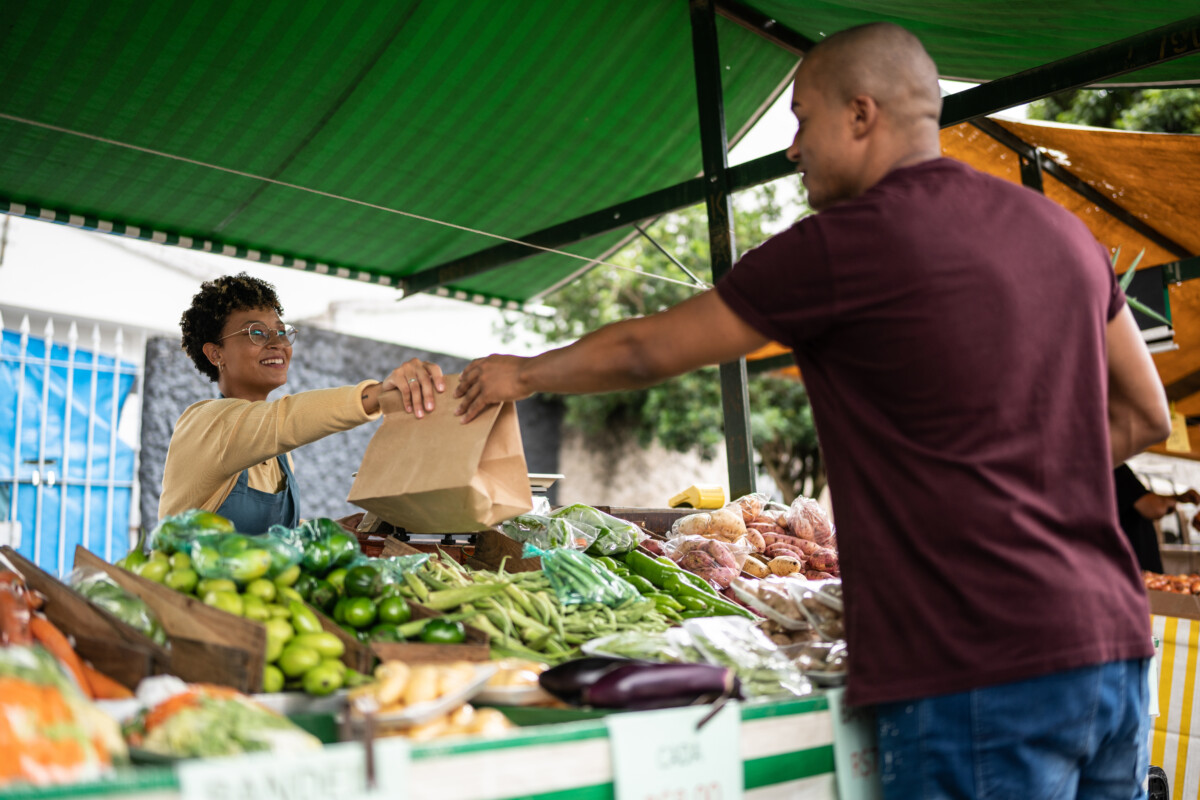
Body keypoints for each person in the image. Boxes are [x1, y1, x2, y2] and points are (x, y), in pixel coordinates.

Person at [452, 22, 1170, 799]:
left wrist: (519, 372)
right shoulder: (1064, 234)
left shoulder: (848, 242)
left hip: (973, 659)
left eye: (801, 119)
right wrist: (1016, 474)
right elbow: (1143, 415)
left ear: (861, 114)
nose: (794, 148)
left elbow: (643, 351)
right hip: (1112, 645)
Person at [158, 272, 445, 533]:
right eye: (256, 333)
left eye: (281, 331)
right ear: (215, 354)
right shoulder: (205, 422)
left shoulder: (278, 455)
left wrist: (332, 529)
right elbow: (286, 418)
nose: (278, 343)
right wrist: (378, 394)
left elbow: (274, 534)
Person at [1114, 464, 1199, 573]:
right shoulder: (1117, 469)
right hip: (1131, 566)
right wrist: (1171, 500)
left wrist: (1176, 498)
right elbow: (1155, 508)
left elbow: (1141, 498)